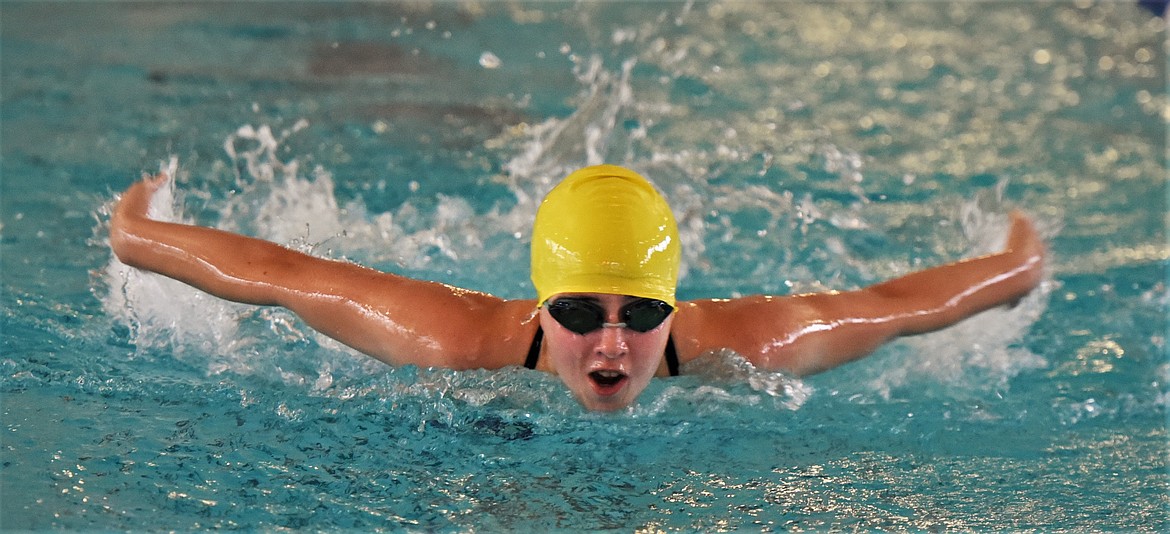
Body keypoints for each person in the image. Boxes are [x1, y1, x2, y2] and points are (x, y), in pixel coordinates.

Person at [109, 165, 1046, 411]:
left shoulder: (752, 343)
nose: (611, 345)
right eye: (578, 313)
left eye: (640, 314)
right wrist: (135, 231)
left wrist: (1018, 261)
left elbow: (896, 307)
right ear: (537, 307)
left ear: (674, 309)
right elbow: (282, 275)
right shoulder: (455, 338)